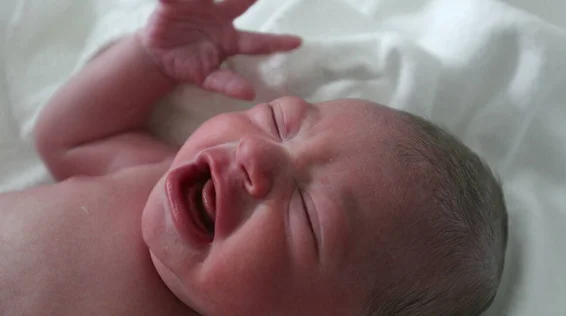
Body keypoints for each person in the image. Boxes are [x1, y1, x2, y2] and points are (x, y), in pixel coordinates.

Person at [0, 0, 508, 315]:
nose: (256, 155)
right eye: (278, 123)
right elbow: (67, 138)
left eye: (309, 216)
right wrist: (148, 60)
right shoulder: (148, 177)